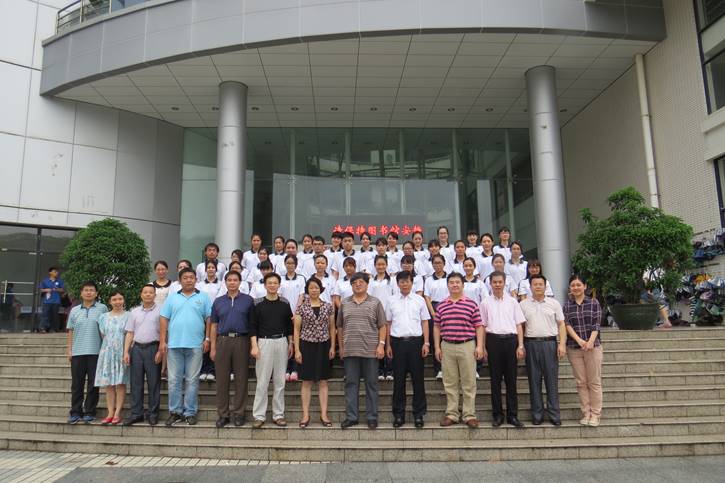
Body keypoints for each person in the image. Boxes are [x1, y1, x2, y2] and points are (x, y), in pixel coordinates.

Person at [160, 267, 212, 426]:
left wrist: (207, 338)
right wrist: (162, 341)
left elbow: (209, 318)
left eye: (191, 277)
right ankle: (175, 412)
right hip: (174, 345)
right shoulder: (172, 298)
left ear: (196, 279)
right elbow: (163, 318)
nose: (188, 280)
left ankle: (190, 412)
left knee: (192, 380)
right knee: (174, 380)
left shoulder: (203, 297)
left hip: (195, 345)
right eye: (185, 277)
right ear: (180, 280)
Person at [337, 272, 387, 429]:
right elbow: (340, 326)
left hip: (370, 351)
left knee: (371, 384)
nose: (358, 285)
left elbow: (382, 325)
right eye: (354, 283)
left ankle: (372, 417)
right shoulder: (345, 303)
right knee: (351, 384)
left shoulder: (375, 302)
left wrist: (381, 345)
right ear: (351, 285)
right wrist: (341, 347)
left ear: (367, 284)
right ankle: (352, 417)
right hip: (350, 351)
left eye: (361, 282)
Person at [434, 272, 484, 428]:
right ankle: (452, 414)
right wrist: (437, 347)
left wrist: (480, 346)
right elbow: (437, 327)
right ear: (447, 285)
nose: (454, 285)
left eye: (457, 282)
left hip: (467, 345)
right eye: (451, 282)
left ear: (463, 285)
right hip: (447, 346)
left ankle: (469, 415)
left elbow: (479, 326)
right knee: (450, 382)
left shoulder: (471, 304)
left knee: (469, 382)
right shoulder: (441, 305)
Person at [480, 271, 526, 428]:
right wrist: (483, 347)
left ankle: (512, 415)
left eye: (500, 282)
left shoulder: (513, 302)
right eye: (495, 282)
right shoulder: (485, 303)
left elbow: (519, 324)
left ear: (505, 283)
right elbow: (482, 326)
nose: (497, 285)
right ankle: (498, 415)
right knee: (495, 381)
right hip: (493, 342)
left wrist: (520, 345)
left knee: (511, 380)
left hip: (511, 341)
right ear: (490, 284)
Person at [519, 274, 567, 426]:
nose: (538, 286)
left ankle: (554, 413)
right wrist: (521, 345)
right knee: (534, 380)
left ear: (545, 286)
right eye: (535, 284)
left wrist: (562, 344)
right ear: (530, 286)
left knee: (551, 380)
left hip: (549, 344)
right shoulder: (523, 305)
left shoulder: (554, 303)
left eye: (541, 284)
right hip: (531, 344)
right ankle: (537, 414)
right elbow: (521, 326)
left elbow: (561, 324)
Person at [210, 270, 254, 428]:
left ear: (240, 282)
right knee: (222, 380)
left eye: (235, 280)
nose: (232, 282)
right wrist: (213, 347)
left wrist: (252, 345)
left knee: (241, 379)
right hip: (223, 341)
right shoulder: (218, 301)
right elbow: (213, 325)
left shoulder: (248, 300)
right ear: (225, 282)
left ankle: (239, 413)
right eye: (229, 280)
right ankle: (223, 414)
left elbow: (252, 324)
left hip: (242, 340)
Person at [386, 271, 430, 428]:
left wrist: (426, 343)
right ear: (397, 284)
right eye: (402, 282)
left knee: (418, 380)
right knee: (398, 381)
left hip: (416, 343)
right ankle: (399, 415)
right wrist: (388, 345)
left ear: (412, 283)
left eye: (407, 281)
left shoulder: (419, 300)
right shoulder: (391, 301)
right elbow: (388, 323)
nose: (404, 284)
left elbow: (425, 322)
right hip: (397, 343)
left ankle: (419, 415)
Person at [250, 272, 294, 428]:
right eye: (269, 283)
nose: (272, 285)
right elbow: (253, 326)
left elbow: (289, 326)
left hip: (281, 342)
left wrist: (291, 343)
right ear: (265, 285)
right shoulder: (257, 304)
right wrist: (254, 346)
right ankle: (259, 416)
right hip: (264, 342)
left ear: (279, 285)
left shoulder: (285, 303)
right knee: (262, 381)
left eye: (275, 283)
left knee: (280, 382)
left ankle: (278, 415)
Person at [293, 277, 336, 428]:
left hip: (324, 345)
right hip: (306, 345)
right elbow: (296, 329)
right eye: (311, 288)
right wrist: (297, 350)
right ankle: (305, 415)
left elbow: (332, 327)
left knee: (323, 381)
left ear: (321, 289)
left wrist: (332, 346)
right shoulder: (301, 308)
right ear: (307, 290)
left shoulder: (328, 307)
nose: (314, 290)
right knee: (306, 381)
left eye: (316, 287)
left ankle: (324, 414)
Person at [564, 275, 604, 427]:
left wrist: (590, 341)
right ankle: (586, 413)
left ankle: (595, 414)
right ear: (570, 288)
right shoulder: (567, 305)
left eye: (578, 285)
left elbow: (596, 323)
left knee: (594, 381)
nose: (576, 287)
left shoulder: (594, 302)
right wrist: (579, 340)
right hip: (574, 348)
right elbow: (567, 325)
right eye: (573, 285)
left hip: (593, 347)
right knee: (581, 382)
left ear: (585, 286)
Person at [66, 282, 108, 424]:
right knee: (76, 384)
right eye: (86, 290)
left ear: (96, 293)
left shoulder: (102, 308)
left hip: (96, 351)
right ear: (81, 293)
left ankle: (90, 411)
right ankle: (75, 411)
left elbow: (105, 330)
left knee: (93, 384)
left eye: (91, 290)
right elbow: (70, 331)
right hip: (78, 352)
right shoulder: (74, 310)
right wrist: (69, 350)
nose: (89, 292)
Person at [122, 284, 162, 426]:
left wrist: (161, 350)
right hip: (137, 349)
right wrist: (126, 352)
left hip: (153, 348)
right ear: (141, 294)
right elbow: (130, 333)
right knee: (136, 383)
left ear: (155, 295)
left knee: (154, 383)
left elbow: (164, 332)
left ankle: (153, 413)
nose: (148, 294)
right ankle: (136, 413)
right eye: (145, 292)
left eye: (151, 292)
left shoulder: (161, 311)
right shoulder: (134, 312)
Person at [95, 290, 130, 425]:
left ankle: (117, 413)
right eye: (114, 299)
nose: (117, 302)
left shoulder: (129, 316)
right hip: (107, 352)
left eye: (120, 299)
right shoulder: (103, 317)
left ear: (124, 300)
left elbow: (130, 334)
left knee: (121, 383)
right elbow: (103, 335)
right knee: (109, 383)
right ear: (110, 302)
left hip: (122, 352)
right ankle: (110, 412)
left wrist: (126, 351)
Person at [368, 256, 395, 381]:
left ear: (386, 265)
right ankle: (379, 370)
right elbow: (369, 297)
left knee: (389, 342)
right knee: (378, 341)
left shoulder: (392, 280)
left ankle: (389, 369)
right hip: (375, 314)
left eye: (383, 264)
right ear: (375, 266)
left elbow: (395, 296)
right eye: (378, 264)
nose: (381, 266)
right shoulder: (371, 281)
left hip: (389, 314)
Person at [423, 254, 449, 379]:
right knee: (436, 340)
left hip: (448, 308)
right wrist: (433, 313)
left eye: (439, 263)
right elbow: (427, 297)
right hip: (433, 308)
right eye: (435, 263)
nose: (437, 265)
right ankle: (438, 369)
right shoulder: (429, 280)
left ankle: (449, 368)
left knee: (447, 339)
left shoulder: (450, 277)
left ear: (444, 264)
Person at [197, 260, 222, 382]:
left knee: (214, 343)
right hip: (203, 317)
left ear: (216, 270)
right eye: (209, 267)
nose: (211, 269)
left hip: (217, 316)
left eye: (213, 267)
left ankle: (212, 370)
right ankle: (203, 369)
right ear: (205, 270)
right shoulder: (199, 285)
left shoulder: (221, 284)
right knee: (204, 342)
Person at [39, 266, 65, 333]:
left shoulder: (60, 281)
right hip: (47, 301)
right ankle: (43, 328)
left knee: (54, 315)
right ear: (50, 272)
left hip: (56, 301)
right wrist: (46, 290)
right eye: (55, 272)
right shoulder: (45, 281)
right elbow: (41, 290)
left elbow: (63, 290)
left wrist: (57, 289)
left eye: (57, 272)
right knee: (45, 315)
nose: (57, 273)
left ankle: (53, 329)